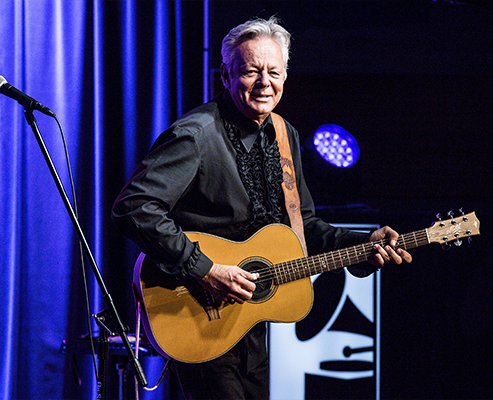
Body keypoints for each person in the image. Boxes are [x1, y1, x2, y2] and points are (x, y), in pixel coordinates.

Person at [112, 16, 412, 400]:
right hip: (197, 313)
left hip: (248, 326)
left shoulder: (286, 135)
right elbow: (134, 207)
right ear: (226, 75)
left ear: (286, 76)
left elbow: (302, 225)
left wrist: (364, 243)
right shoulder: (195, 135)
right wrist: (205, 270)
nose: (264, 83)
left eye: (274, 71)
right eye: (251, 71)